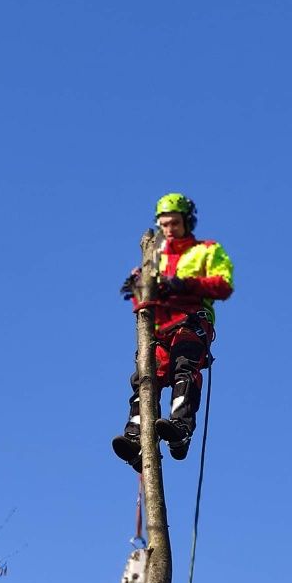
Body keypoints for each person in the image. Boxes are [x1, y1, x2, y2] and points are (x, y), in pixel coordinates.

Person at [112, 193, 234, 471]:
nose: (169, 229)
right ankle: (136, 437)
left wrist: (184, 283)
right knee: (146, 377)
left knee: (184, 366)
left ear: (186, 222)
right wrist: (137, 287)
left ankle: (180, 427)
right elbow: (141, 303)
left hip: (191, 320)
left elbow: (222, 284)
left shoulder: (206, 251)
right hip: (159, 329)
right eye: (164, 223)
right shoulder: (155, 259)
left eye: (174, 223)